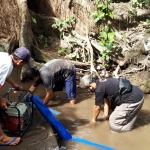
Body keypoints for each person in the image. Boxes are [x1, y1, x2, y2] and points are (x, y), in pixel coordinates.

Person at [80, 75, 144, 133]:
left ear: (90, 85)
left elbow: (97, 107)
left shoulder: (99, 90)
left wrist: (93, 121)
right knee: (113, 112)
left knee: (113, 125)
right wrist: (106, 116)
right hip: (137, 93)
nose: (88, 91)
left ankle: (127, 131)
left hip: (134, 100)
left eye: (87, 89)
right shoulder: (101, 82)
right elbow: (106, 101)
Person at [0, 47, 31, 146]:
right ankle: (2, 139)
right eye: (24, 64)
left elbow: (4, 74)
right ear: (20, 61)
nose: (23, 66)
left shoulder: (5, 56)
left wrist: (14, 84)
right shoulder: (7, 65)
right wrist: (1, 99)